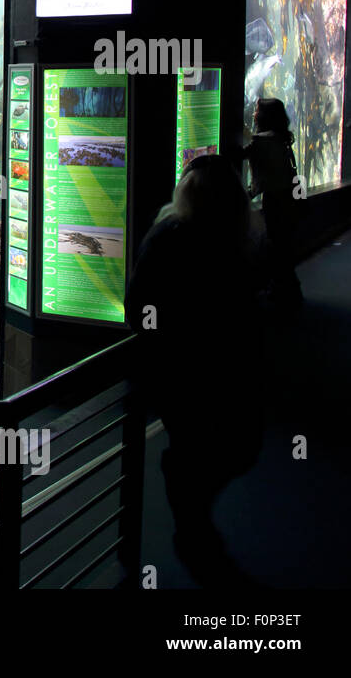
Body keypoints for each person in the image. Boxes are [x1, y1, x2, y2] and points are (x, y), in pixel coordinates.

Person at [126, 154, 264, 588]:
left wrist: (157, 341)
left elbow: (139, 304)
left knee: (187, 459)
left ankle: (198, 544)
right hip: (227, 378)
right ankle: (200, 542)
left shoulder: (169, 234)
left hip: (181, 376)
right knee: (213, 454)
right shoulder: (239, 240)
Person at [242, 98, 303, 307]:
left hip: (275, 202)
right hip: (289, 200)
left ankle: (282, 295)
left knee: (276, 246)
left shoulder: (260, 142)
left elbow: (252, 165)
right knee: (283, 247)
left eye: (257, 111)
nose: (253, 114)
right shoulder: (282, 139)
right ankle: (289, 291)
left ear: (263, 117)